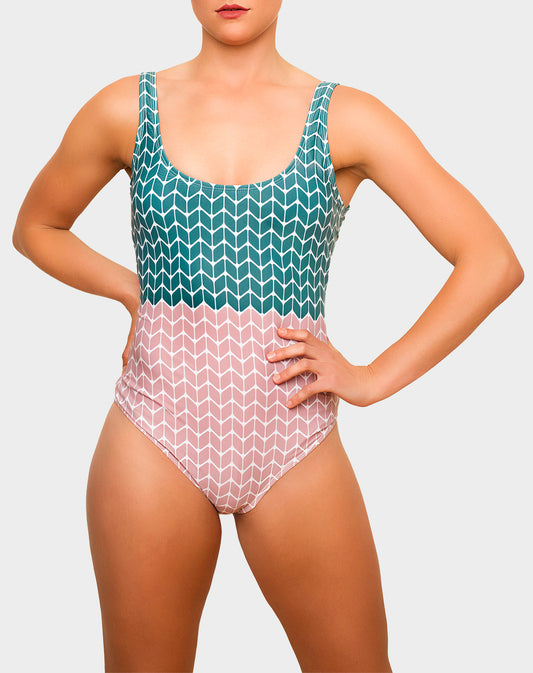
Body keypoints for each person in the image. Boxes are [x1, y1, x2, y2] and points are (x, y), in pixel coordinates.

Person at [11, 1, 524, 672]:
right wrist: (133, 291)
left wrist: (371, 377)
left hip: (293, 435)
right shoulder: (125, 109)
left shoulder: (346, 118)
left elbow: (490, 261)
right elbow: (36, 227)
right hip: (152, 431)